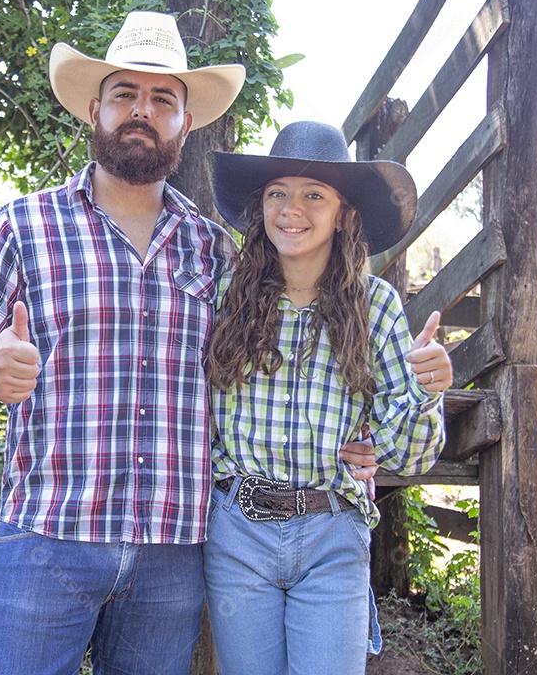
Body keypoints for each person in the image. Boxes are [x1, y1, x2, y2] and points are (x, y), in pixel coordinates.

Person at [0, 11, 249, 675]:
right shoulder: (23, 225)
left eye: (162, 100)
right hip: (47, 538)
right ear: (95, 108)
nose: (141, 111)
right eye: (125, 94)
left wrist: (364, 418)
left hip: (172, 550)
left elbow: (261, 378)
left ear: (186, 123)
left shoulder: (215, 250)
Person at [202, 120, 452, 675]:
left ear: (345, 213)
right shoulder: (222, 300)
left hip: (332, 534)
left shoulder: (376, 308)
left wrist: (427, 391)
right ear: (260, 208)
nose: (292, 209)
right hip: (237, 531)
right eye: (277, 193)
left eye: (314, 194)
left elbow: (407, 457)